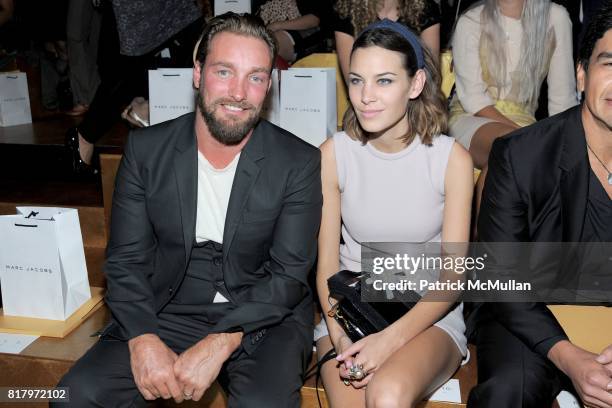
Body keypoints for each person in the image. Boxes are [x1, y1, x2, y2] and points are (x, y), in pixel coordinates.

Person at [53, 13, 322, 407]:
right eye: (224, 71)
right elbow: (125, 261)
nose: (239, 92)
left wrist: (221, 341)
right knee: (73, 396)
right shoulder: (147, 152)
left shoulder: (297, 161)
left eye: (256, 77)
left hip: (263, 314)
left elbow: (288, 276)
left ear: (269, 86)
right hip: (170, 304)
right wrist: (143, 339)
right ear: (197, 73)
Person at [315, 19, 473, 407]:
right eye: (356, 80)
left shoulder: (450, 160)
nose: (366, 96)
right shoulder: (334, 155)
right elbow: (325, 268)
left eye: (384, 81)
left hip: (426, 313)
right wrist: (339, 338)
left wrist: (387, 342)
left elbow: (452, 279)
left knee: (387, 395)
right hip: (348, 311)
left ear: (415, 84)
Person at [468, 4, 612, 407]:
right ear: (582, 74)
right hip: (530, 307)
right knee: (509, 393)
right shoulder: (520, 155)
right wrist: (570, 357)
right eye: (610, 63)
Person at [449, 0, 578, 217]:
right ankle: (489, 245)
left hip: (526, 123)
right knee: (508, 148)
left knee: (516, 151)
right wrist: (529, 136)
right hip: (471, 118)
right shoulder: (471, 20)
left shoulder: (556, 17)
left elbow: (562, 101)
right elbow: (473, 100)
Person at [333, 0, 441, 83]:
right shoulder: (346, 11)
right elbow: (353, 80)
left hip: (415, 102)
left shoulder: (425, 9)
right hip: (367, 100)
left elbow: (430, 77)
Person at [255, 0, 332, 63]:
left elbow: (314, 20)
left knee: (266, 46)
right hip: (267, 32)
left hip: (306, 36)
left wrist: (277, 25)